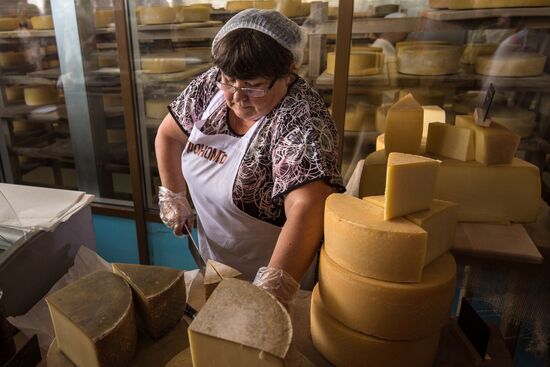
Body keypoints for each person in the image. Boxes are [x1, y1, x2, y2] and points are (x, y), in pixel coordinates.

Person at [155, 8, 344, 308]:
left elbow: (308, 206)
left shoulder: (302, 120)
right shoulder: (211, 85)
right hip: (215, 259)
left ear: (289, 70)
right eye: (229, 81)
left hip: (277, 268)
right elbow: (169, 136)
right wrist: (174, 194)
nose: (237, 96)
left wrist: (274, 289)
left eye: (253, 86)